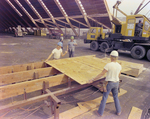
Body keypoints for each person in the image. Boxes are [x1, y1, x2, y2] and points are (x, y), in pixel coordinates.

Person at [88, 50, 122, 116]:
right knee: (115, 97)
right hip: (116, 83)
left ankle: (100, 112)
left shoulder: (108, 65)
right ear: (117, 57)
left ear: (110, 56)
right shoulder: (119, 66)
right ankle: (119, 111)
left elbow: (101, 74)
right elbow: (119, 76)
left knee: (105, 97)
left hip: (110, 83)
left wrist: (93, 79)